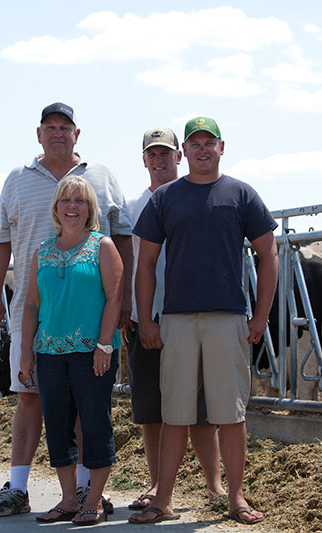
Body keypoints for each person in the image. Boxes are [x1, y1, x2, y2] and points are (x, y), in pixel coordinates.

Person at [0, 103, 132, 518]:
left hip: (89, 319)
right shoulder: (16, 180)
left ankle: (86, 492)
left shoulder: (101, 176)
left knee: (86, 406)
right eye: (50, 127)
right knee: (29, 398)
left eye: (65, 127)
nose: (58, 134)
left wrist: (127, 300)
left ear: (77, 134)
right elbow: (0, 241)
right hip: (35, 317)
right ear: (39, 134)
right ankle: (18, 487)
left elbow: (123, 238)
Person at [129, 117, 278, 525]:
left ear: (221, 147)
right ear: (186, 152)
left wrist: (260, 315)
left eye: (208, 142)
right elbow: (146, 263)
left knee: (230, 413)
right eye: (195, 143)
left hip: (228, 317)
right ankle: (163, 500)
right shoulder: (165, 199)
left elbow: (269, 253)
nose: (202, 149)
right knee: (175, 413)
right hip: (176, 318)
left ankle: (235, 499)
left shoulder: (241, 194)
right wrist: (147, 319)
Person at [125, 128, 226, 513]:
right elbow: (126, 260)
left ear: (178, 157)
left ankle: (214, 486)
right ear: (144, 160)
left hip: (189, 315)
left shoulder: (195, 197)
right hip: (144, 318)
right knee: (153, 409)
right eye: (152, 153)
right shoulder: (130, 207)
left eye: (166, 152)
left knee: (201, 410)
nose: (159, 160)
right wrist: (126, 310)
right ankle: (156, 486)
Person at [20, 176, 122, 525]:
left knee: (95, 422)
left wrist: (104, 344)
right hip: (49, 352)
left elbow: (115, 298)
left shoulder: (103, 246)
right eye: (66, 200)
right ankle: (67, 499)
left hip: (92, 351)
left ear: (90, 208)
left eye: (80, 201)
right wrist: (25, 353)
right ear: (56, 208)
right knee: (58, 426)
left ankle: (93, 499)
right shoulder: (43, 252)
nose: (72, 207)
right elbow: (32, 305)